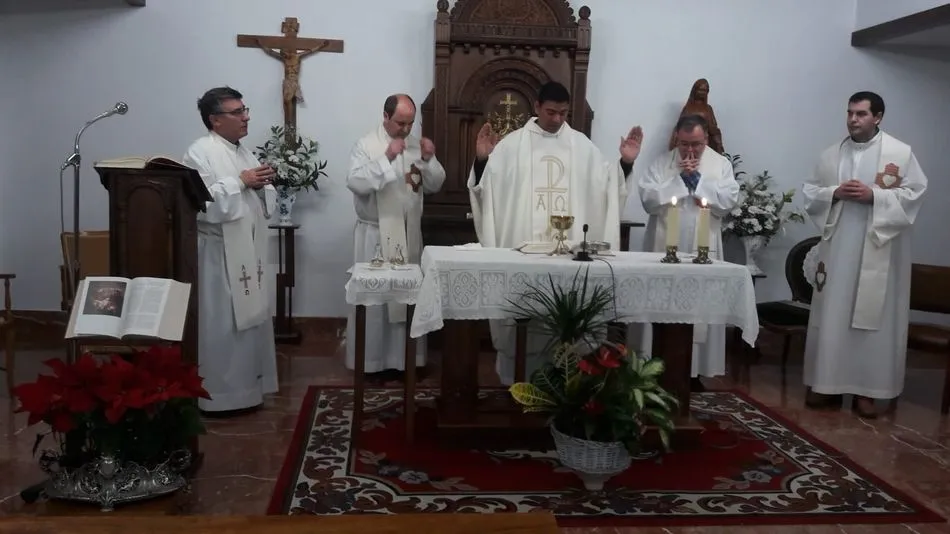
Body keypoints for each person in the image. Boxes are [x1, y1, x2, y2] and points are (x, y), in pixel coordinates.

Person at [467, 80, 643, 385]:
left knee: (569, 322)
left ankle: (570, 386)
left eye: (563, 113)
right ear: (536, 108)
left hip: (568, 258)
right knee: (524, 319)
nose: (558, 119)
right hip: (523, 252)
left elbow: (606, 187)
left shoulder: (582, 146)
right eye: (551, 112)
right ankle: (518, 384)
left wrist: (625, 163)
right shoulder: (512, 145)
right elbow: (488, 192)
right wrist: (483, 160)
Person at [801, 91, 928, 418]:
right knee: (834, 314)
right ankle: (826, 384)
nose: (853, 119)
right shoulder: (831, 155)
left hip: (878, 248)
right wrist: (835, 192)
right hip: (839, 249)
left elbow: (914, 194)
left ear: (878, 117)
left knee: (872, 319)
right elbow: (811, 192)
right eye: (850, 113)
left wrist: (875, 195)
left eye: (861, 114)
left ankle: (866, 391)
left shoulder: (900, 154)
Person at [182, 86, 278, 414]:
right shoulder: (199, 152)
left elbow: (260, 200)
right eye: (237, 112)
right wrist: (241, 181)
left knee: (250, 322)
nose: (246, 116)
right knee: (224, 326)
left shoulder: (243, 151)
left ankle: (249, 389)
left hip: (247, 250)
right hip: (218, 253)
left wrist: (264, 183)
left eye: (245, 109)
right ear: (215, 120)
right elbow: (201, 204)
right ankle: (221, 395)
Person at [345, 94, 446, 377]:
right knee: (377, 303)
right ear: (386, 116)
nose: (406, 129)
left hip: (409, 232)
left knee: (406, 298)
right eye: (401, 122)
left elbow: (437, 184)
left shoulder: (417, 145)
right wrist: (387, 157)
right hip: (375, 235)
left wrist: (427, 159)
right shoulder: (366, 145)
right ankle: (372, 364)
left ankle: (406, 362)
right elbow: (355, 182)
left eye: (411, 123)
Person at [637, 114, 739, 387]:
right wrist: (681, 180)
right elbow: (648, 199)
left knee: (701, 307)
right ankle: (654, 367)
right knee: (662, 303)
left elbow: (728, 200)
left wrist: (699, 182)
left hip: (703, 247)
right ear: (676, 139)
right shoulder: (662, 163)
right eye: (684, 144)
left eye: (696, 144)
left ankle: (694, 372)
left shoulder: (721, 165)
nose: (690, 151)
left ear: (706, 138)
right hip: (663, 247)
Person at [668, 79, 725, 155]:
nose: (702, 93)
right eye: (700, 90)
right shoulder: (688, 108)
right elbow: (680, 127)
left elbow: (713, 128)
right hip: (688, 145)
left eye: (705, 90)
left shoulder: (708, 109)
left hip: (704, 146)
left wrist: (719, 144)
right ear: (695, 90)